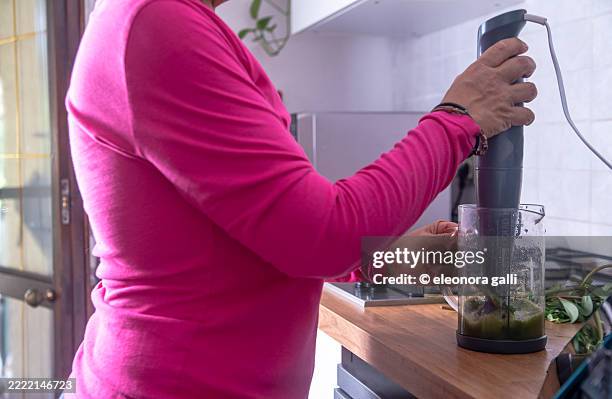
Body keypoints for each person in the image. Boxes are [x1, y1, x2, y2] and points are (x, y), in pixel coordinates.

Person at [65, 0, 537, 397]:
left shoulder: (156, 19)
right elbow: (324, 235)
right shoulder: (155, 20)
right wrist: (457, 119)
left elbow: (263, 235)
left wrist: (389, 258)